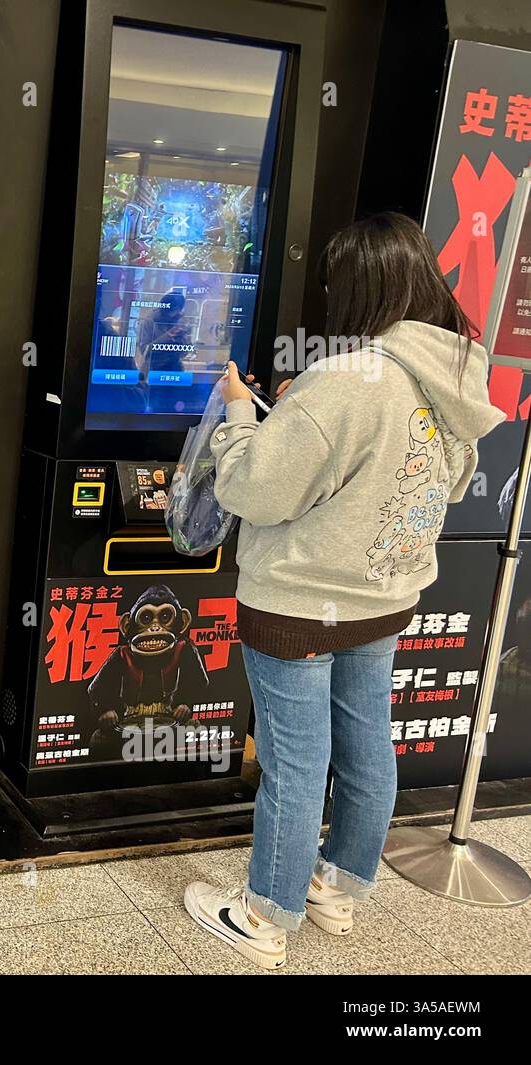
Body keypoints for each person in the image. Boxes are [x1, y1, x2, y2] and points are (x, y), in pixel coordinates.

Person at [182, 212, 504, 969]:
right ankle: (338, 889)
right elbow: (436, 477)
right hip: (383, 598)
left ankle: (263, 917)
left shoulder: (347, 380)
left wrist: (237, 410)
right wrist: (304, 411)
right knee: (365, 748)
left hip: (299, 604)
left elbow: (259, 489)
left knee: (294, 763)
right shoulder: (457, 374)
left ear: (361, 288)